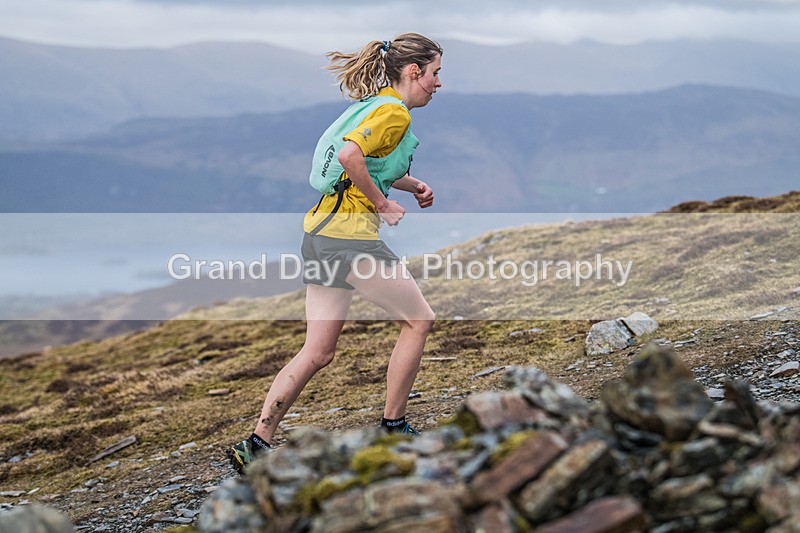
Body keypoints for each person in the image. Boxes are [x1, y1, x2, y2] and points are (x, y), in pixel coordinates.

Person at [228, 33, 443, 472]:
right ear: (413, 72)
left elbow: (365, 161)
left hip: (319, 234)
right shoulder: (393, 113)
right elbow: (349, 157)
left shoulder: (369, 104)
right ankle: (393, 425)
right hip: (350, 239)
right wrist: (383, 204)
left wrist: (410, 185)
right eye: (436, 74)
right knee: (420, 321)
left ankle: (256, 441)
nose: (439, 84)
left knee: (319, 351)